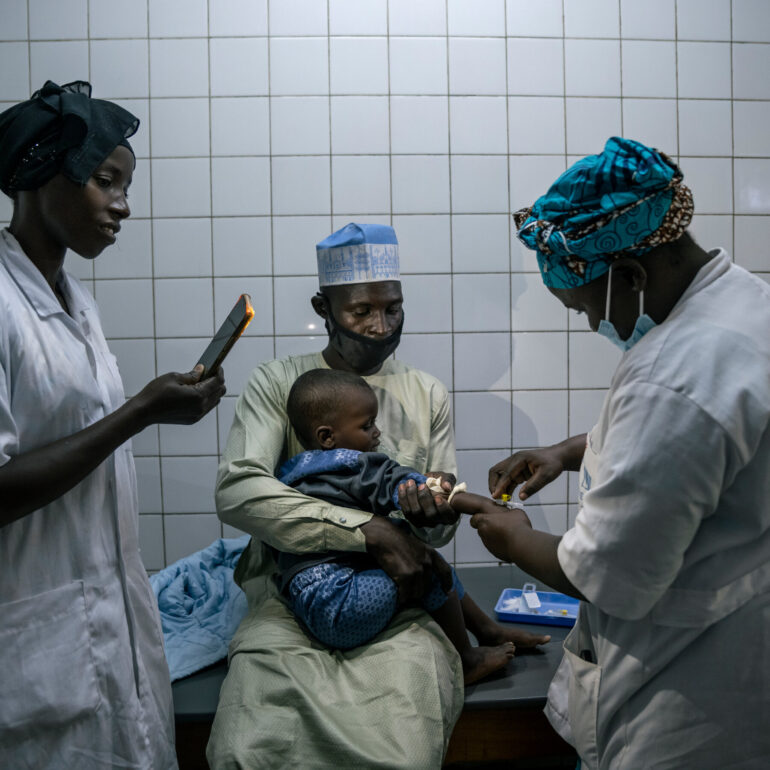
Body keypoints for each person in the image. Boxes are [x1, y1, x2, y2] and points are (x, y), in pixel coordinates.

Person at [469, 137, 770, 769]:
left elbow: (604, 574)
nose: (590, 323)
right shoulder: (744, 302)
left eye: (584, 306)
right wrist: (571, 450)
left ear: (632, 275)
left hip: (687, 697)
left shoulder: (673, 375)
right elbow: (702, 447)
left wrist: (513, 536)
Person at [209, 223, 547, 769]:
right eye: (361, 311)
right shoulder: (279, 383)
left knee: (400, 743)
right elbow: (239, 490)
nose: (380, 327)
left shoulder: (425, 392)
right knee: (249, 744)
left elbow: (439, 530)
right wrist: (366, 528)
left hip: (402, 594)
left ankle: (472, 644)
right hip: (287, 598)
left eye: (393, 309)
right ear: (323, 308)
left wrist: (431, 514)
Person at [0, 80, 226, 769]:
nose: (123, 205)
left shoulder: (77, 302)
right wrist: (139, 413)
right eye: (105, 181)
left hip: (105, 620)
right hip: (36, 642)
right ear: (41, 174)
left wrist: (156, 411)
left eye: (126, 185)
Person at [277, 367, 547, 683]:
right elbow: (417, 487)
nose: (377, 433)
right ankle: (466, 659)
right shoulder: (355, 466)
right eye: (367, 426)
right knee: (428, 564)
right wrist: (486, 506)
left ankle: (488, 630)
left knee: (408, 544)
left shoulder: (290, 476)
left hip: (309, 604)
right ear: (327, 437)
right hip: (343, 607)